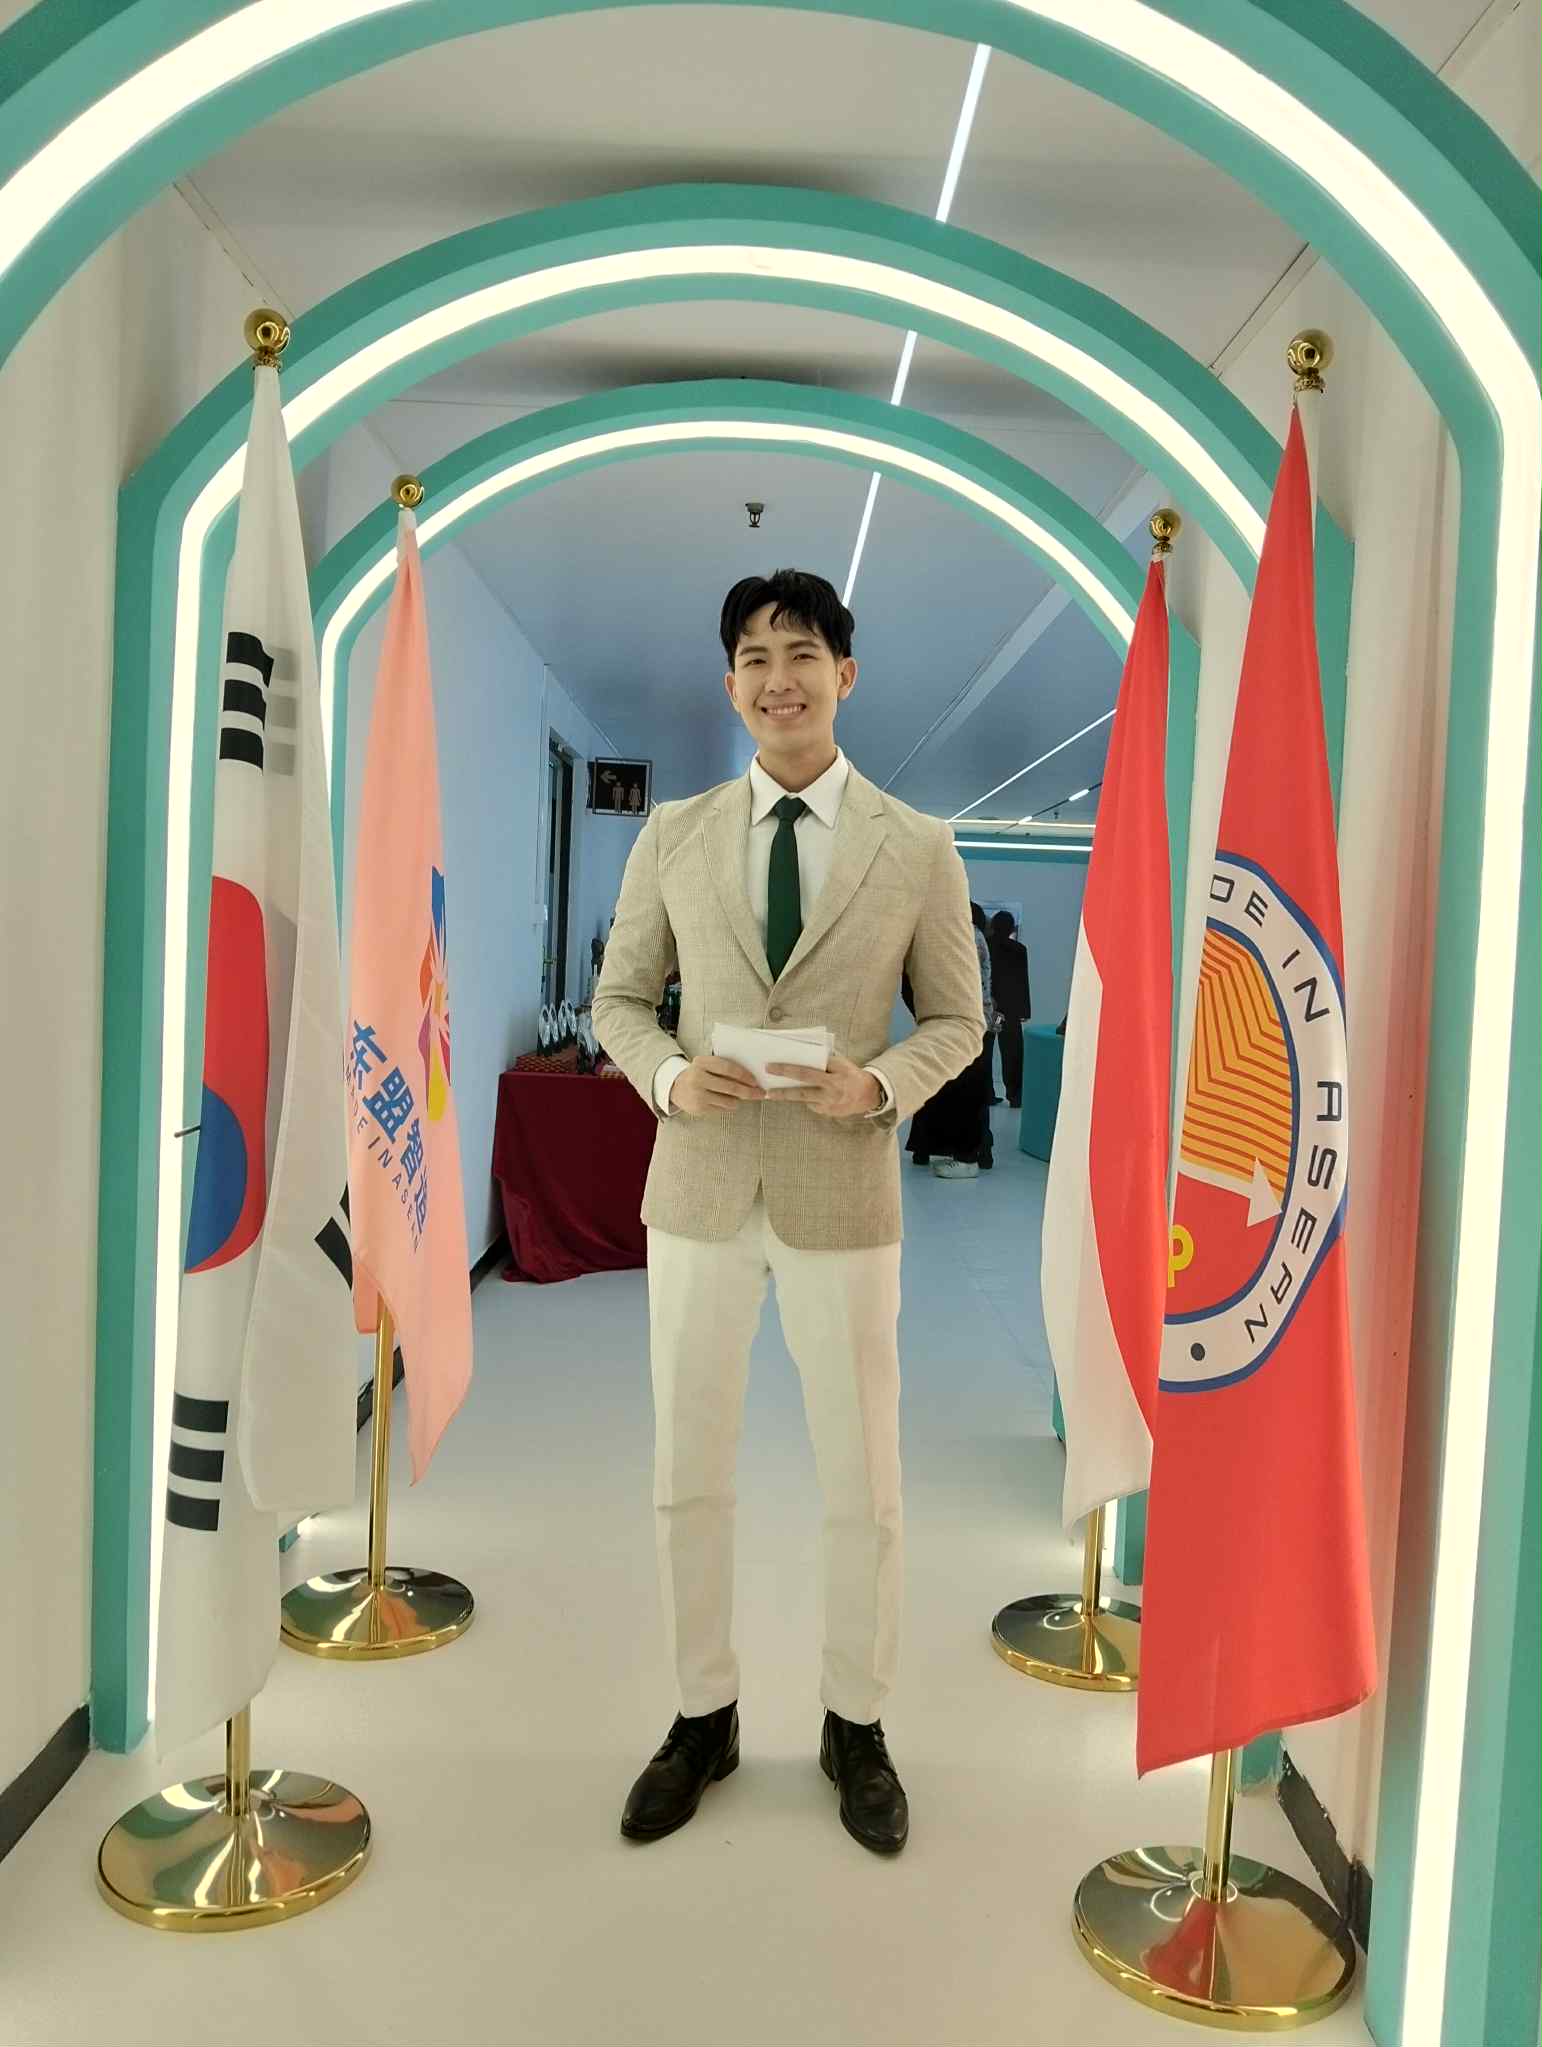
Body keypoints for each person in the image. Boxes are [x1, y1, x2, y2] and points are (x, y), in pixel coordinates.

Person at [593, 567, 982, 1858]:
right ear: (730, 685)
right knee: (685, 1469)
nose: (779, 678)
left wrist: (880, 1083)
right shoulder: (674, 833)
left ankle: (853, 1722)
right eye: (755, 657)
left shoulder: (916, 844)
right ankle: (699, 1713)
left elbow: (959, 1018)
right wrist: (666, 1073)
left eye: (803, 652)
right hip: (700, 1185)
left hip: (840, 1189)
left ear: (844, 674)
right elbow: (618, 1000)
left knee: (862, 1476)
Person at [987, 909, 1031, 1108]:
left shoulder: (985, 946)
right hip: (1010, 1009)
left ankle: (985, 1094)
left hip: (988, 1008)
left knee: (984, 1052)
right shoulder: (1019, 949)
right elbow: (1022, 982)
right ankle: (1015, 1096)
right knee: (1013, 1052)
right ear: (1011, 928)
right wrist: (1024, 1011)